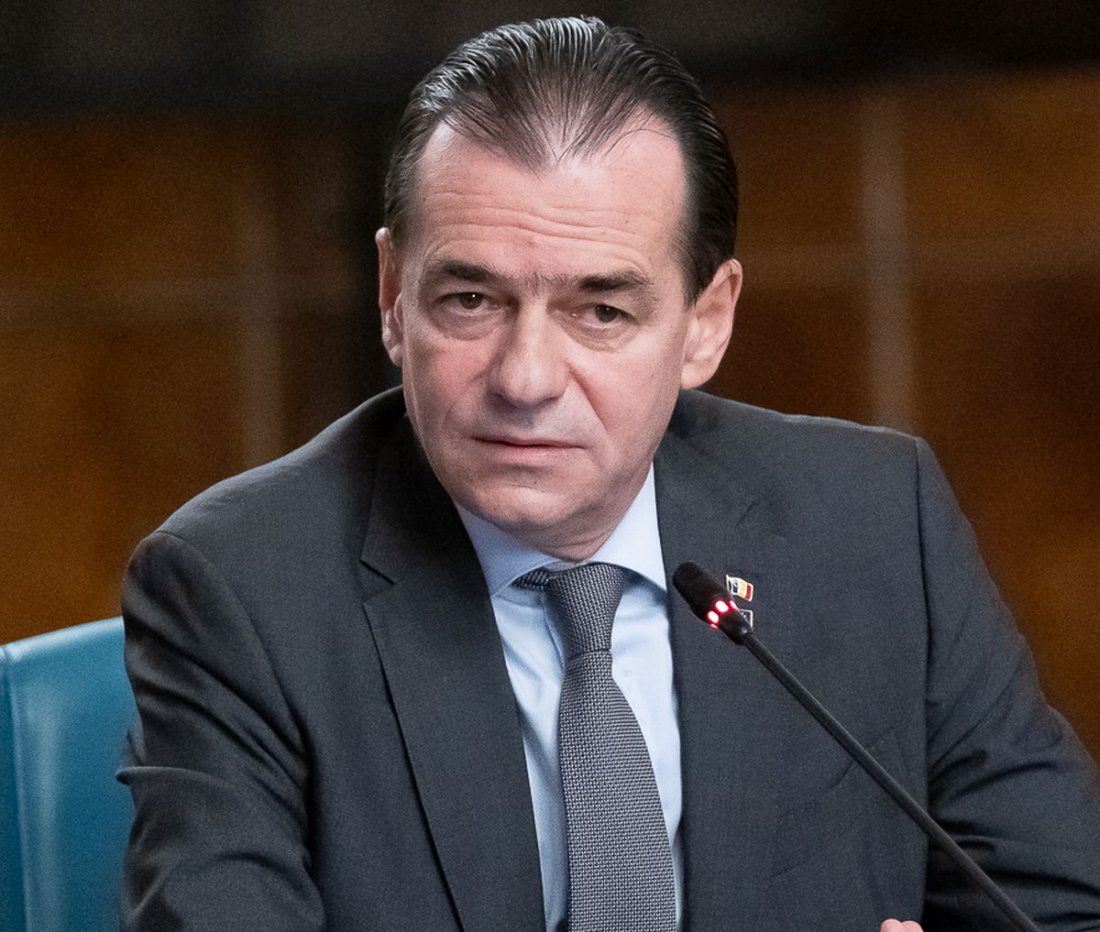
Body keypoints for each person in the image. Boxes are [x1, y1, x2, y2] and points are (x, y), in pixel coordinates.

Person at [118, 15, 1100, 932]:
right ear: (391, 296)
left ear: (705, 321)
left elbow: (1060, 909)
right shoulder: (241, 591)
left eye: (601, 312)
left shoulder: (873, 520)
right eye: (470, 300)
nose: (526, 379)